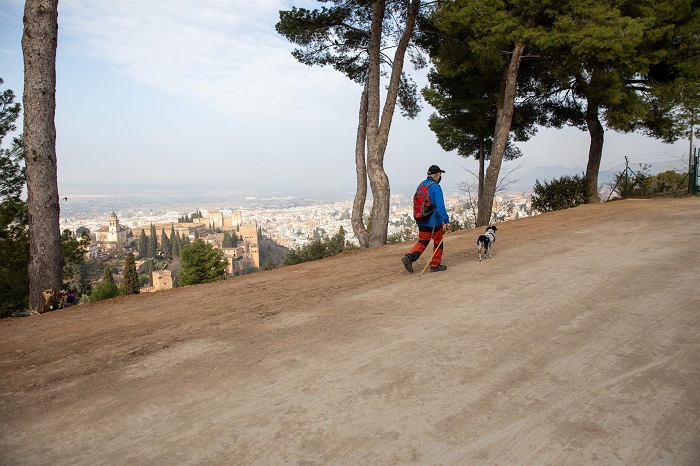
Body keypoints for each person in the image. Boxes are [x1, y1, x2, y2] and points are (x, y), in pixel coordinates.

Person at [402, 165, 451, 273]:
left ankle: (409, 258)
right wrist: (446, 221)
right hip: (434, 221)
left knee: (423, 241)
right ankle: (435, 265)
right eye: (440, 174)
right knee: (438, 242)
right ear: (437, 175)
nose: (440, 176)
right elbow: (440, 207)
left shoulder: (421, 185)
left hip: (421, 219)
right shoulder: (436, 187)